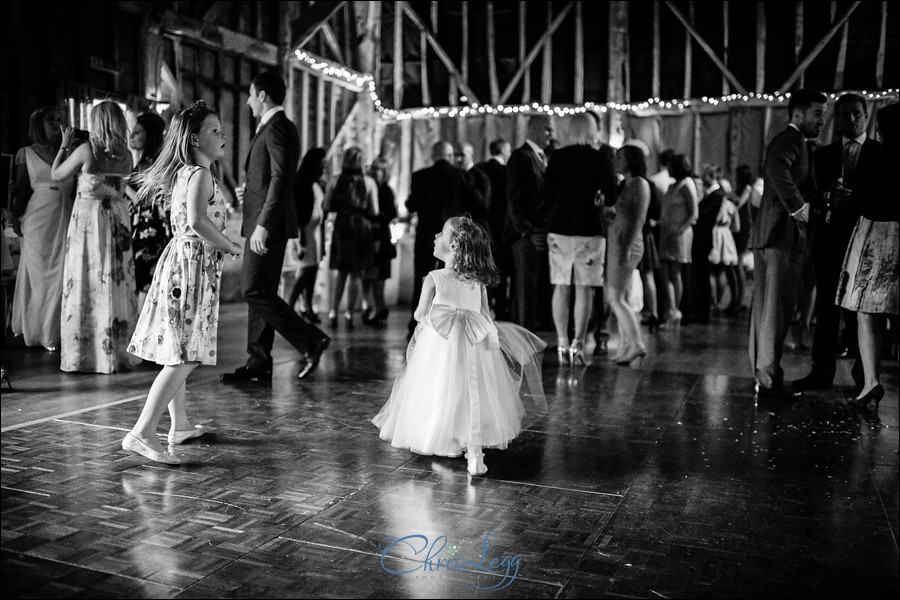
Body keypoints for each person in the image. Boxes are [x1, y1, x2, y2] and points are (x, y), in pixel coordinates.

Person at [372, 215, 547, 476]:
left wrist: (437, 320)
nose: (435, 237)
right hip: (475, 343)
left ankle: (446, 436)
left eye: (441, 233)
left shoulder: (434, 278)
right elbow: (486, 315)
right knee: (473, 390)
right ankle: (474, 451)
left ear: (453, 245)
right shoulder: (477, 281)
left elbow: (420, 315)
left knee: (443, 388)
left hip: (442, 343)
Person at [121, 101, 242, 464]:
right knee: (186, 354)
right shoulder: (200, 175)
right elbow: (197, 222)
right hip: (190, 268)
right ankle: (142, 432)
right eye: (214, 132)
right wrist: (231, 245)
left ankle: (180, 425)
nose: (223, 137)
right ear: (193, 139)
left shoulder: (191, 173)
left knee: (179, 351)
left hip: (184, 265)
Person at [223, 71, 330, 382]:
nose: (247, 100)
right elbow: (270, 179)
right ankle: (258, 360)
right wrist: (250, 192)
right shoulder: (275, 127)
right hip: (262, 219)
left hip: (267, 225)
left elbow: (283, 178)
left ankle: (311, 340)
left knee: (252, 288)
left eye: (251, 94)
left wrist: (263, 225)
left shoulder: (278, 127)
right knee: (263, 289)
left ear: (263, 95)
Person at [794, 93, 881, 393]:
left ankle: (864, 377)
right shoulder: (824, 155)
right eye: (845, 114)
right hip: (830, 243)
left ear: (866, 115)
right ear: (838, 118)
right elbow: (809, 195)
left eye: (856, 113)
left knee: (859, 313)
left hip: (866, 243)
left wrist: (855, 199)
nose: (851, 119)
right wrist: (826, 193)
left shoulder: (879, 154)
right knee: (826, 309)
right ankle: (821, 373)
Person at [748, 88, 826, 401]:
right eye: (818, 113)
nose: (823, 119)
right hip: (780, 235)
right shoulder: (789, 140)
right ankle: (768, 381)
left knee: (769, 308)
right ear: (798, 114)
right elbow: (776, 169)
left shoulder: (799, 143)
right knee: (775, 310)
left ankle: (765, 376)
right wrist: (798, 207)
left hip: (774, 235)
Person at [51, 100, 137, 374]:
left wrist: (64, 145)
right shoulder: (127, 156)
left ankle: (86, 355)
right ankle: (116, 354)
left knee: (87, 282)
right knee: (115, 283)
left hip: (89, 223)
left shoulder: (86, 151)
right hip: (118, 221)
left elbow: (56, 176)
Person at [542, 112, 617, 366]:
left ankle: (562, 341)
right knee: (585, 288)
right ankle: (579, 344)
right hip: (589, 227)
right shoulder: (600, 158)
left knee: (561, 285)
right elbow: (612, 195)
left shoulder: (558, 157)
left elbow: (546, 193)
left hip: (559, 227)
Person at [838, 102, 898, 410]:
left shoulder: (877, 155)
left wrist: (848, 197)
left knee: (865, 312)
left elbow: (865, 200)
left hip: (876, 238)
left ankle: (872, 382)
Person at [10, 106, 75, 352]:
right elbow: (21, 189)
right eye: (51, 120)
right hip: (38, 216)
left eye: (60, 120)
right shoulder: (25, 153)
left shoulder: (69, 152)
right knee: (39, 275)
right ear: (38, 124)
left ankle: (55, 331)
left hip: (65, 213)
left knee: (61, 273)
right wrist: (16, 218)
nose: (57, 124)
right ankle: (36, 330)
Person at [405, 141, 478, 338]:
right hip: (454, 240)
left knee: (422, 282)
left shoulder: (420, 176)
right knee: (455, 281)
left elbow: (411, 205)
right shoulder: (462, 175)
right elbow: (473, 205)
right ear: (450, 155)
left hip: (426, 237)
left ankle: (417, 324)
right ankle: (453, 326)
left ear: (433, 154)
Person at [506, 115, 554, 332]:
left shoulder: (541, 157)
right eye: (548, 130)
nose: (551, 135)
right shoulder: (521, 157)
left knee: (533, 288)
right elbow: (514, 197)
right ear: (535, 130)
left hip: (539, 231)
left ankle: (528, 334)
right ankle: (523, 337)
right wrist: (525, 231)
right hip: (525, 234)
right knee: (526, 288)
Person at [323, 146, 379, 329]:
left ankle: (332, 311)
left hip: (342, 226)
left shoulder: (335, 181)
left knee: (341, 271)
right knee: (355, 272)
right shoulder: (369, 182)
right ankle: (348, 313)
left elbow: (327, 205)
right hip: (361, 227)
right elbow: (374, 210)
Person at [607, 145, 650, 365]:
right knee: (616, 296)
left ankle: (636, 344)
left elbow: (638, 220)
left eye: (620, 157)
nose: (616, 160)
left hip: (627, 244)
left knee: (615, 297)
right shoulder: (627, 184)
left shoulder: (641, 184)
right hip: (618, 242)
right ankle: (627, 345)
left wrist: (625, 249)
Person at [127, 112, 169, 301]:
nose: (131, 136)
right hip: (148, 226)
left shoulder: (150, 164)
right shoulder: (144, 162)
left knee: (145, 281)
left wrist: (122, 185)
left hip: (148, 228)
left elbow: (144, 199)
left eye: (137, 133)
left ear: (149, 135)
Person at [287, 147, 327, 323]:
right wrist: (300, 236)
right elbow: (299, 210)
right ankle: (291, 305)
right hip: (305, 232)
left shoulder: (314, 182)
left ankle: (307, 306)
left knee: (312, 270)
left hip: (315, 232)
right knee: (305, 270)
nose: (324, 166)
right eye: (322, 163)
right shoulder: (301, 182)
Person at [658, 154, 698, 328]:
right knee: (665, 271)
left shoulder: (687, 184)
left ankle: (676, 310)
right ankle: (671, 309)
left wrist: (679, 230)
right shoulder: (672, 185)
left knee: (675, 272)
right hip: (666, 231)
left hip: (679, 232)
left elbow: (694, 213)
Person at [477, 138, 512, 320]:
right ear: (502, 150)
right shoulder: (506, 172)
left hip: (482, 227)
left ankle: (484, 308)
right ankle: (501, 310)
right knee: (500, 271)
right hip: (501, 229)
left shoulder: (479, 169)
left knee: (483, 272)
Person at [362, 156, 398, 325]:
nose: (374, 172)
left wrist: (374, 217)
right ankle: (370, 307)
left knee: (377, 276)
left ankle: (379, 308)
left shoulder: (385, 190)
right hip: (369, 236)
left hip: (379, 237)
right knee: (369, 274)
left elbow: (391, 213)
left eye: (378, 169)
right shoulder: (370, 187)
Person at [693, 164, 728, 324]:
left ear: (709, 177)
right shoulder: (711, 194)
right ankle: (700, 309)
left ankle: (704, 311)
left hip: (703, 238)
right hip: (702, 237)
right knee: (701, 275)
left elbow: (704, 214)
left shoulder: (717, 195)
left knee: (703, 276)